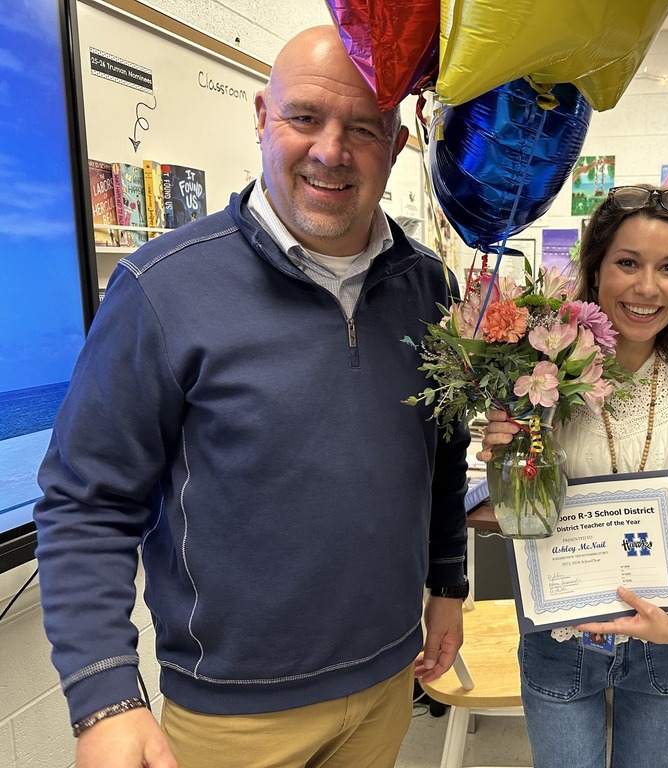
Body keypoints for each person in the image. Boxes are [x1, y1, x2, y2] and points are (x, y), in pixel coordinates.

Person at [33, 25, 470, 768]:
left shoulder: (427, 285)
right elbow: (87, 501)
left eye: (363, 127)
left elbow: (442, 454)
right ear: (262, 116)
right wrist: (104, 695)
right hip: (233, 711)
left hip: (387, 683)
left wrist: (447, 584)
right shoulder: (161, 288)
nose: (331, 150)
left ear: (396, 145)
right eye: (305, 117)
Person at [479, 184, 668, 767]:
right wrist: (506, 456)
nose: (646, 287)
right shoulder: (540, 357)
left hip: (667, 638)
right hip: (562, 633)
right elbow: (520, 511)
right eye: (627, 262)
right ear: (596, 266)